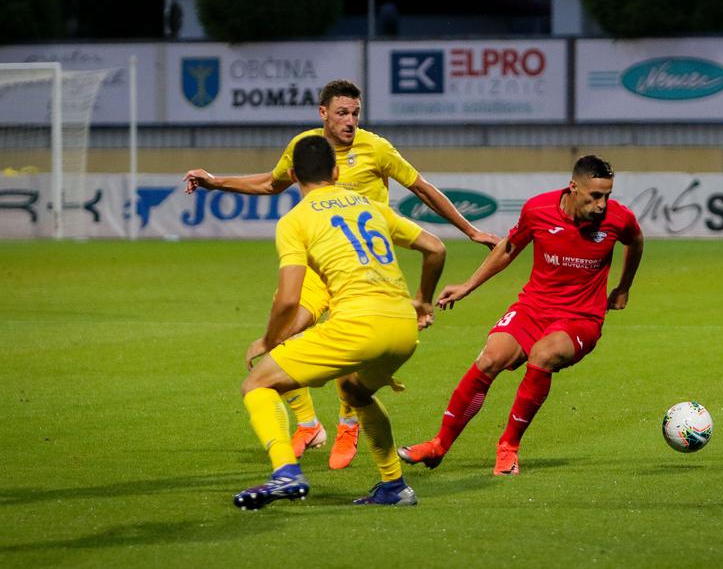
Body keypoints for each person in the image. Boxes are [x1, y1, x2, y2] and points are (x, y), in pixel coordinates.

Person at [183, 79, 499, 470]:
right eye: (342, 113)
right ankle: (309, 425)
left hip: (364, 270)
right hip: (320, 269)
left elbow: (421, 188)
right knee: (281, 335)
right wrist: (216, 182)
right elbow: (271, 182)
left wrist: (470, 230)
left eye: (355, 113)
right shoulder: (306, 148)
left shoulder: (376, 148)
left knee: (351, 347)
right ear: (323, 114)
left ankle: (348, 424)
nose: (350, 121)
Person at [397, 155, 644, 475]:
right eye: (595, 196)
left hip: (581, 317)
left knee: (543, 354)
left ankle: (508, 446)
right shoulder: (538, 210)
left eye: (607, 195)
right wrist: (468, 285)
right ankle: (439, 444)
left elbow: (635, 240)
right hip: (533, 307)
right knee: (490, 358)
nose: (601, 205)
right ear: (573, 187)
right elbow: (509, 248)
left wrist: (623, 287)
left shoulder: (618, 218)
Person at [234, 134, 443, 510]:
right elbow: (435, 248)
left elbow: (288, 298)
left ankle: (285, 471)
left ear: (293, 176)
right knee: (355, 391)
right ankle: (394, 486)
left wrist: (269, 340)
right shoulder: (369, 205)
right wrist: (423, 301)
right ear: (335, 172)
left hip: (358, 326)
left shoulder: (295, 220)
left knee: (257, 384)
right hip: (402, 328)